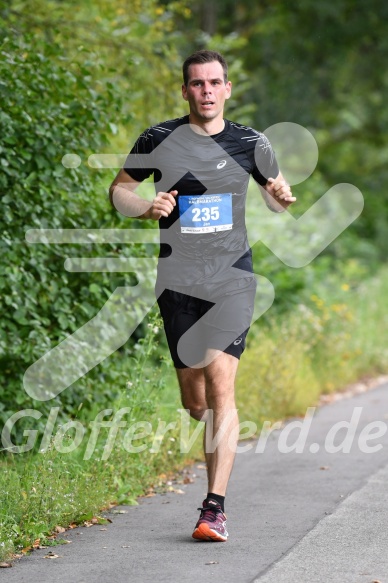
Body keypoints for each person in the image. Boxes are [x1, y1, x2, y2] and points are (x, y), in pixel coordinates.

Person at [109, 50, 295, 542]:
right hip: (177, 281)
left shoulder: (251, 142)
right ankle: (205, 446)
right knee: (196, 402)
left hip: (232, 276)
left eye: (215, 83)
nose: (207, 91)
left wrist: (280, 192)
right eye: (197, 84)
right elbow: (119, 190)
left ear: (228, 89)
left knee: (220, 385)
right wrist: (146, 205)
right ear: (185, 90)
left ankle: (214, 507)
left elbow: (277, 200)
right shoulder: (157, 139)